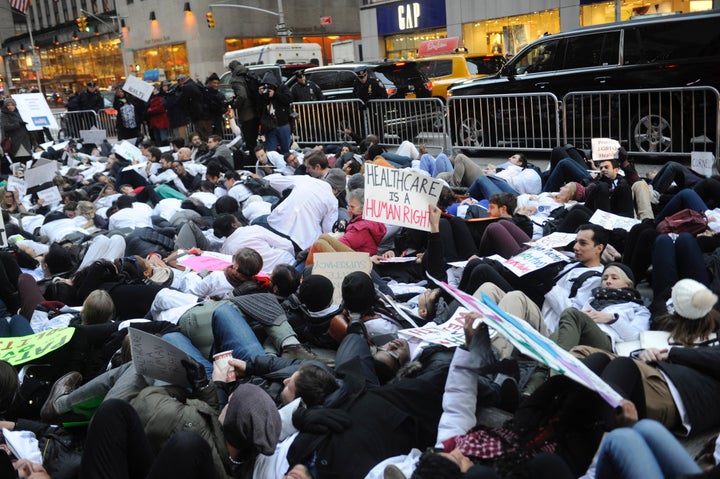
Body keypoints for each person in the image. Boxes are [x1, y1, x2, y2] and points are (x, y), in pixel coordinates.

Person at [228, 61, 261, 156]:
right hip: (256, 112)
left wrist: (234, 104)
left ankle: (254, 162)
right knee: (254, 140)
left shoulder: (236, 80)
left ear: (232, 69)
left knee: (250, 142)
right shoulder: (249, 74)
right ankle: (257, 159)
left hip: (247, 115)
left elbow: (242, 96)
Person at [257, 72, 293, 155]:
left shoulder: (282, 88)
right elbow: (259, 106)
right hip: (270, 126)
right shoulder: (264, 93)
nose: (268, 88)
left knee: (285, 150)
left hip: (283, 124)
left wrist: (275, 94)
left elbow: (289, 99)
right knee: (271, 152)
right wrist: (260, 94)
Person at [1, 98, 33, 164]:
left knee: (28, 161)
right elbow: (5, 127)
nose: (10, 107)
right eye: (8, 105)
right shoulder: (3, 115)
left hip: (25, 141)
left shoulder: (20, 113)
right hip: (15, 142)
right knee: (19, 163)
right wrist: (18, 124)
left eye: (12, 105)